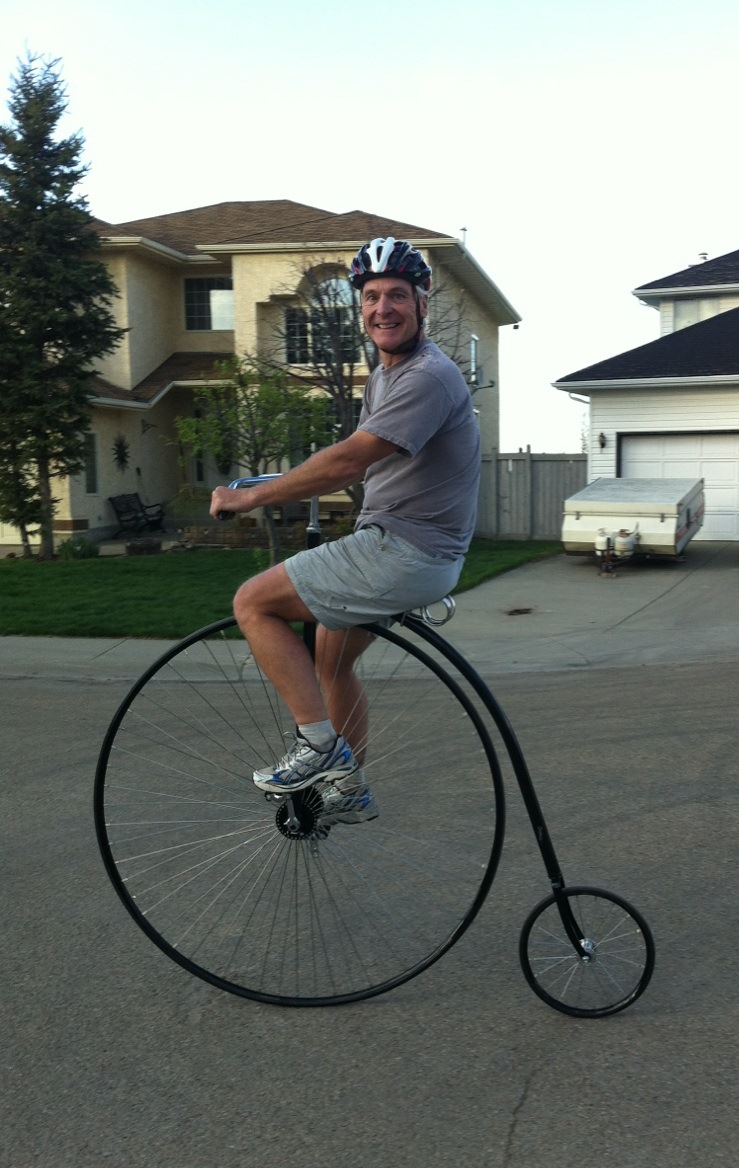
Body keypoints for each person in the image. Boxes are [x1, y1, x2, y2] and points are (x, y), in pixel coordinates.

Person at [209, 237, 481, 825]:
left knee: (252, 602)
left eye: (398, 296)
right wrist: (269, 481)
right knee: (330, 664)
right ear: (360, 307)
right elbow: (362, 461)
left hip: (403, 550)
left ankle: (316, 747)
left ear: (422, 304)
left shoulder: (427, 377)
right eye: (373, 296)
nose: (384, 308)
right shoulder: (386, 376)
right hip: (403, 545)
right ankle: (348, 789)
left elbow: (349, 463)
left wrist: (251, 498)